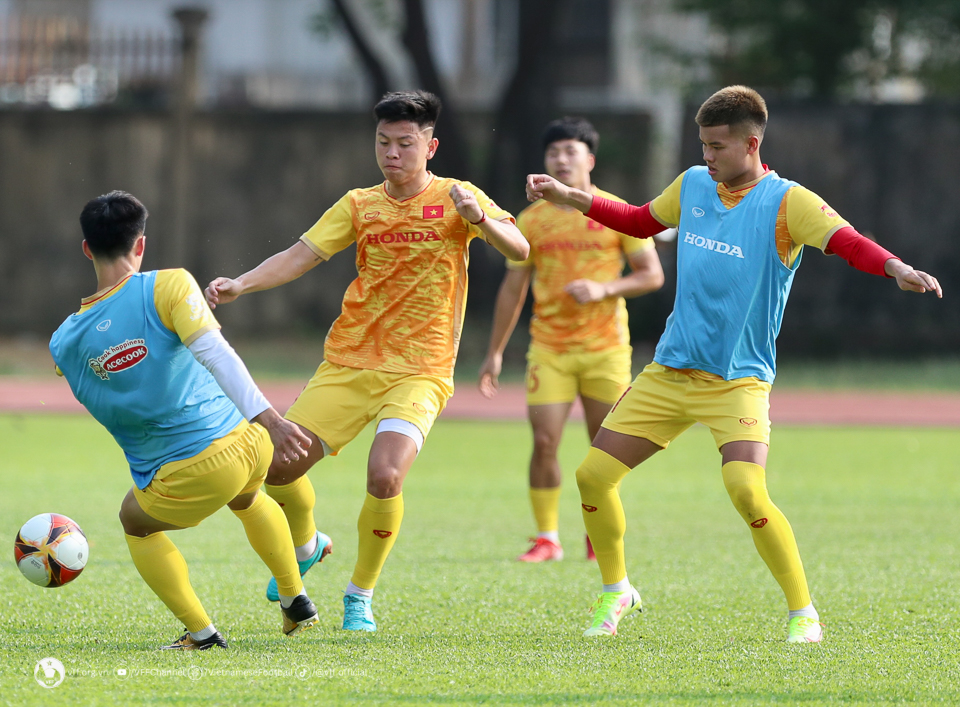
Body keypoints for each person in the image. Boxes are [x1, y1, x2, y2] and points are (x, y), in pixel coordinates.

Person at [525, 85, 942, 642]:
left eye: (717, 146)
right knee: (592, 476)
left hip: (738, 380)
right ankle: (616, 589)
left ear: (750, 144)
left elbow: (846, 241)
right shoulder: (694, 184)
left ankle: (803, 613)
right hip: (671, 371)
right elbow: (638, 220)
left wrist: (895, 267)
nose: (706, 156)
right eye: (702, 144)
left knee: (747, 490)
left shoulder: (789, 201)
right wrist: (570, 196)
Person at [204, 90, 529, 632]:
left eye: (406, 143)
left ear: (431, 146)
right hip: (349, 362)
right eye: (383, 142)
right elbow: (300, 255)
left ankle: (360, 595)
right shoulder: (359, 203)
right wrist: (242, 284)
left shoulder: (458, 196)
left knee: (384, 475)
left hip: (421, 369)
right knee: (277, 468)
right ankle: (307, 544)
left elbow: (519, 249)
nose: (392, 153)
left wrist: (483, 221)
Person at [50, 191, 322, 650]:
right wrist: (269, 420)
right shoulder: (170, 285)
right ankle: (297, 604)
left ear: (85, 248)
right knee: (248, 496)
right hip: (250, 441)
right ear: (140, 245)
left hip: (190, 471)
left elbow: (92, 366)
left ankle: (202, 634)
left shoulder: (63, 342)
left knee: (134, 521)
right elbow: (216, 354)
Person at [478, 117, 664, 563]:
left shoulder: (614, 211)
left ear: (590, 160)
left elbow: (651, 275)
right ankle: (547, 537)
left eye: (570, 151)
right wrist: (495, 353)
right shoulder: (531, 219)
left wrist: (604, 289)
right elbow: (513, 289)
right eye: (553, 153)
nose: (561, 160)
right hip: (550, 350)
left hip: (606, 351)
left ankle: (597, 533)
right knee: (544, 442)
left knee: (605, 449)